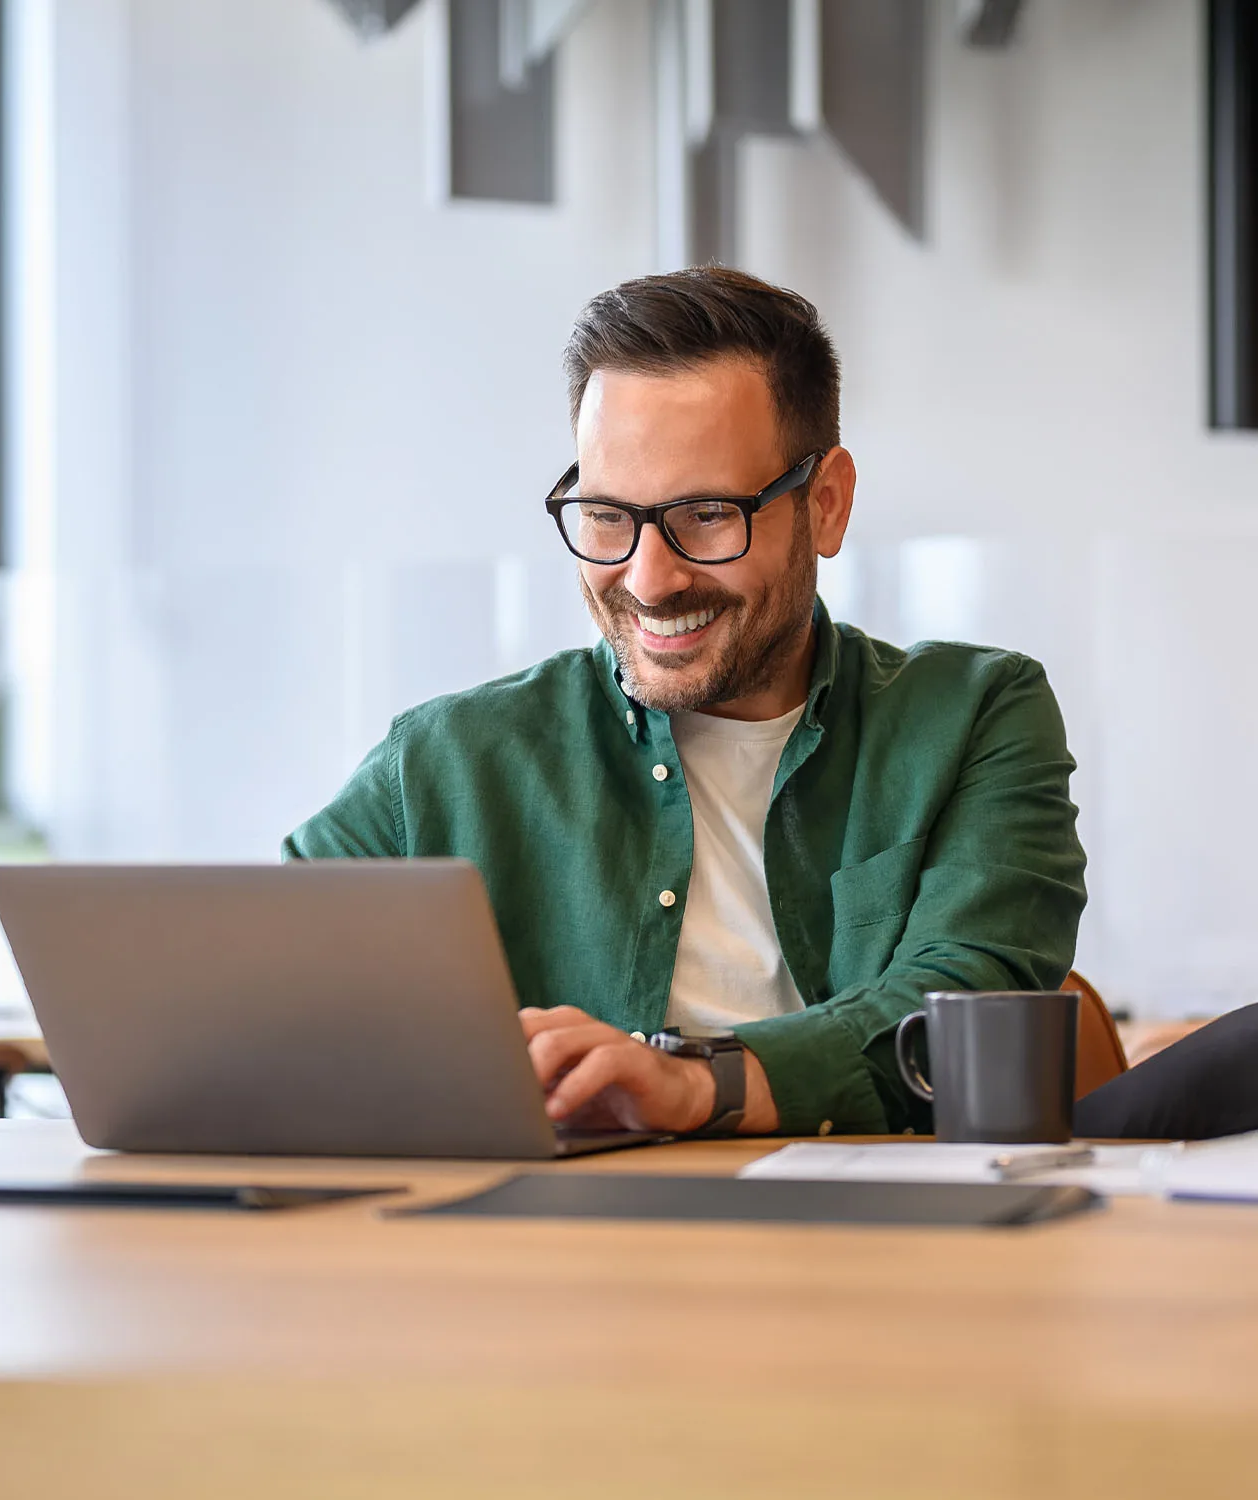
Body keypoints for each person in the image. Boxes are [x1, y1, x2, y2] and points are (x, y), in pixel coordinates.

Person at [284, 267, 1241, 1141]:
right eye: (608, 517)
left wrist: (698, 1084)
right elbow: (253, 989)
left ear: (825, 503)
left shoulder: (976, 715)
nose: (648, 579)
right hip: (550, 1275)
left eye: (706, 516)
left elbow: (960, 1002)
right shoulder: (447, 760)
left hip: (893, 1265)